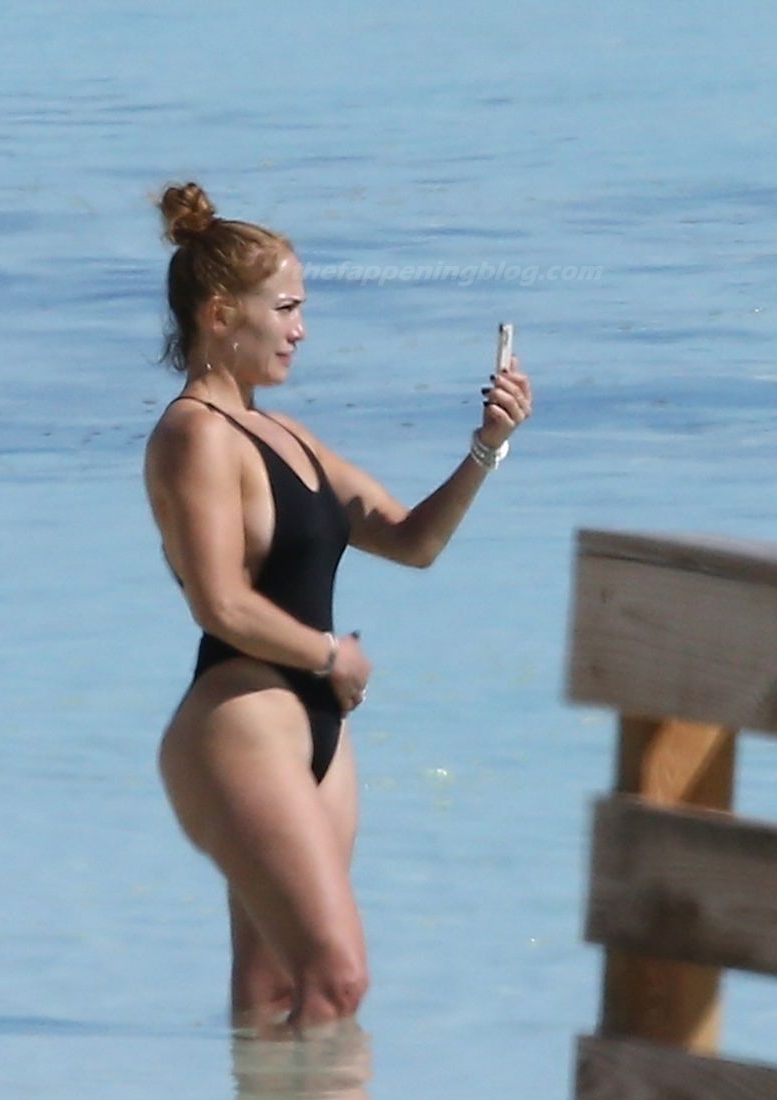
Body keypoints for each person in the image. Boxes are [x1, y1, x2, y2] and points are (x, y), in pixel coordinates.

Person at [143, 181, 533, 1033]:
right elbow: (219, 602)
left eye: (302, 310)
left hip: (317, 732)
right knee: (337, 980)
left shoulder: (288, 434)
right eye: (286, 308)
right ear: (220, 314)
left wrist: (487, 447)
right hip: (240, 722)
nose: (301, 329)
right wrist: (329, 656)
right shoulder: (194, 434)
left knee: (277, 992)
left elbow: (414, 540)